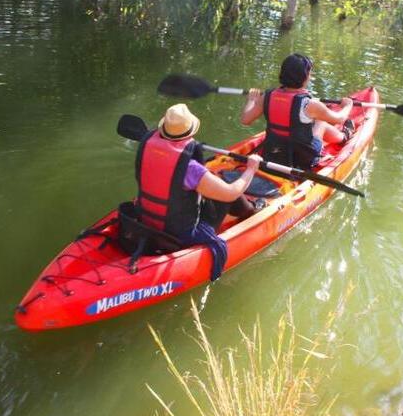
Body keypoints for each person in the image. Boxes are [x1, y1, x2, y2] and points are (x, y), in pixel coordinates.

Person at [135, 103, 263, 281]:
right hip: (180, 233)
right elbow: (231, 193)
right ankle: (251, 211)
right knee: (224, 184)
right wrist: (251, 168)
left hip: (146, 219)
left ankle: (247, 209)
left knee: (210, 182)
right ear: (190, 133)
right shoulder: (190, 168)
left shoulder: (147, 149)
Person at [240, 53, 354, 170]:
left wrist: (252, 100)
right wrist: (348, 105)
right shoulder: (310, 105)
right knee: (321, 122)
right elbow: (340, 118)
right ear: (304, 76)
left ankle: (341, 135)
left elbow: (245, 120)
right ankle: (344, 136)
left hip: (273, 153)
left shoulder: (266, 96)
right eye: (309, 73)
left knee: (311, 121)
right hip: (302, 159)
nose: (310, 76)